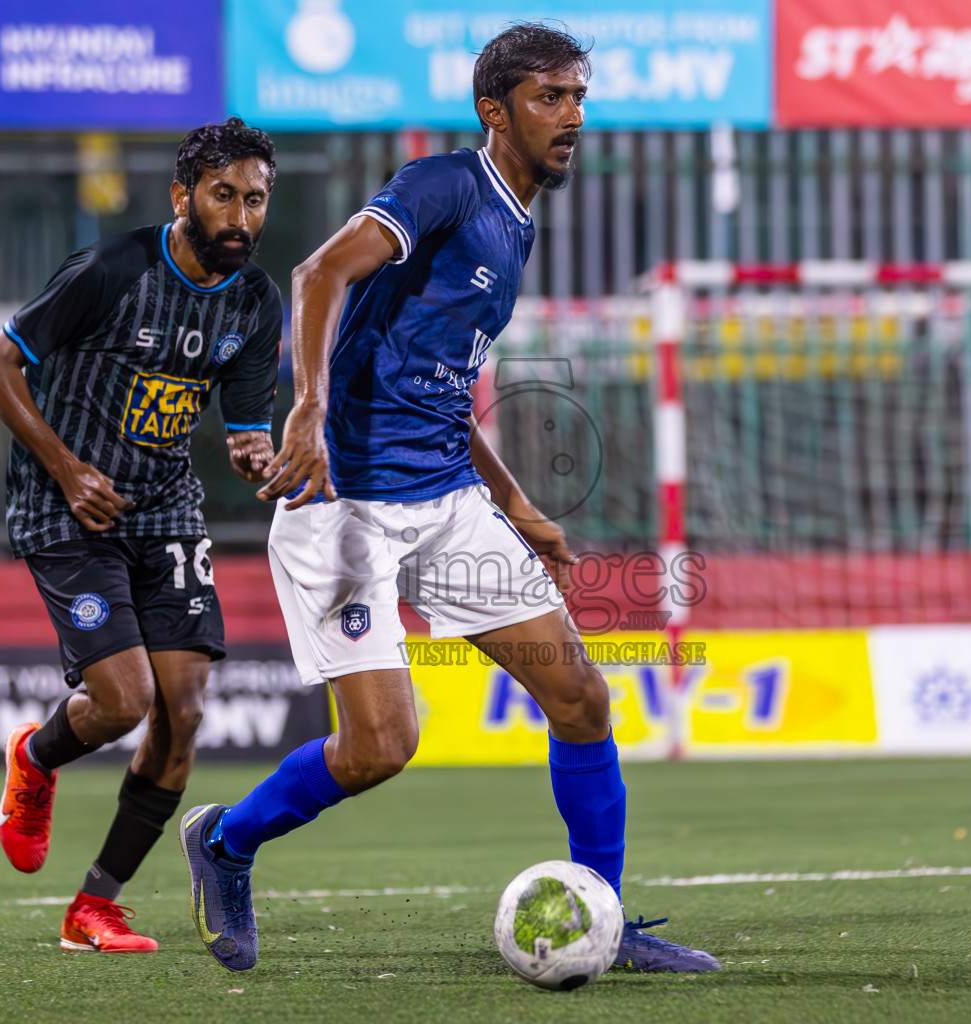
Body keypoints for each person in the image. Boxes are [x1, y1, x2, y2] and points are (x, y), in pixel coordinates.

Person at [176, 23, 718, 975]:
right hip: (341, 506)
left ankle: (605, 915)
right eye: (549, 98)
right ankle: (225, 842)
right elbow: (317, 274)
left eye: (578, 98)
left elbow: (441, 383)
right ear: (493, 109)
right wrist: (306, 405)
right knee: (383, 744)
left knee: (582, 696)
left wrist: (515, 504)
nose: (572, 117)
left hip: (450, 500)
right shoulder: (444, 185)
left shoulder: (517, 222)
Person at [0, 118, 284, 952]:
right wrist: (69, 470)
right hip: (65, 505)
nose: (241, 217)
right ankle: (36, 758)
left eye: (255, 200)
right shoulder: (112, 270)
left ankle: (94, 906)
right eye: (224, 196)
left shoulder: (255, 302)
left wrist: (257, 448)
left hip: (166, 505)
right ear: (183, 197)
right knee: (123, 699)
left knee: (181, 714)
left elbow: (245, 425)